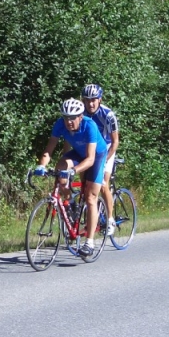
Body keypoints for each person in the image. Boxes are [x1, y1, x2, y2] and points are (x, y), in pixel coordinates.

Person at [34, 98, 107, 257]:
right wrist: (42, 166)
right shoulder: (60, 124)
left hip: (96, 156)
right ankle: (71, 204)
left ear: (80, 116)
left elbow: (90, 159)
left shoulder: (90, 126)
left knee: (90, 197)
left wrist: (73, 171)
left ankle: (89, 243)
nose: (69, 121)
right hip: (78, 153)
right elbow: (49, 149)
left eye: (73, 118)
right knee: (60, 168)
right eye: (66, 117)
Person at [82, 83, 119, 236]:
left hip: (107, 149)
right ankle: (92, 218)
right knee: (85, 186)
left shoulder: (108, 115)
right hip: (90, 150)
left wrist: (105, 160)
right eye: (87, 100)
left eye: (94, 100)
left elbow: (115, 141)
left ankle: (110, 219)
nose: (90, 103)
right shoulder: (81, 113)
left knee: (103, 184)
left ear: (100, 100)